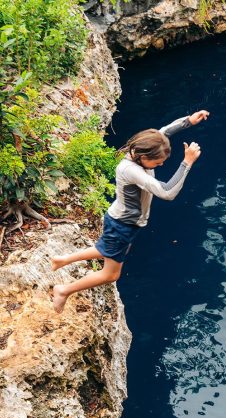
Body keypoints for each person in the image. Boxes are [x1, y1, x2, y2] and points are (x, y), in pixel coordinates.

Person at [50, 110, 210, 313]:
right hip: (122, 225)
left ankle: (62, 260)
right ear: (143, 157)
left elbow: (164, 132)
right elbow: (167, 192)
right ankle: (64, 290)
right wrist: (186, 163)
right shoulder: (130, 170)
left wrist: (188, 121)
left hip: (123, 222)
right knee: (111, 275)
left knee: (108, 249)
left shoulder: (143, 150)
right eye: (157, 162)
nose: (161, 164)